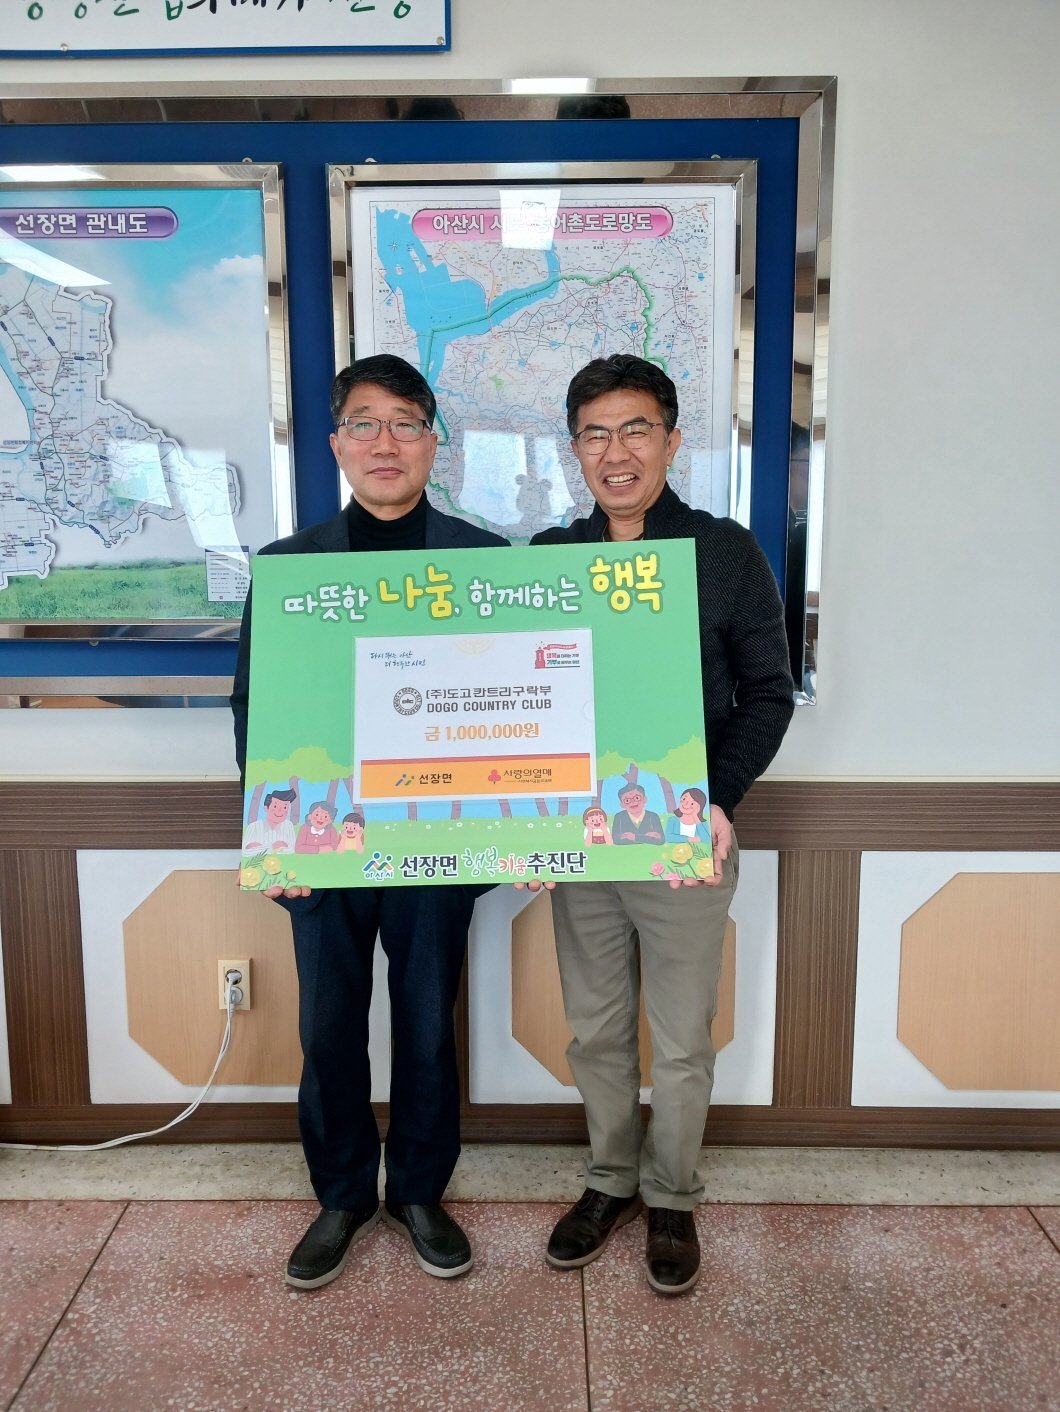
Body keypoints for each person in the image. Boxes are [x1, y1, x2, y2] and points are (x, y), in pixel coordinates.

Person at [232, 354, 506, 1290]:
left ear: (433, 441)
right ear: (336, 443)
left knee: (427, 1026)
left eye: (405, 422)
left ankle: (419, 1192)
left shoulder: (486, 563)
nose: (385, 442)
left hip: (439, 841)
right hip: (322, 842)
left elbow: (517, 704)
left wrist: (507, 836)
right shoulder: (289, 570)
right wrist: (274, 840)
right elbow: (255, 710)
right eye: (364, 423)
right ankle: (343, 1195)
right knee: (328, 1027)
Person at [530, 354, 793, 1295]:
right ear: (574, 450)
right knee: (596, 1031)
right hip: (583, 842)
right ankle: (609, 1180)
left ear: (672, 441)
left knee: (681, 1039)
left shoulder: (722, 553)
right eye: (595, 434)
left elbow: (768, 693)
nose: (616, 452)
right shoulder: (549, 560)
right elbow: (523, 704)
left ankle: (672, 1194)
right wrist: (523, 822)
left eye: (635, 430)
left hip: (684, 836)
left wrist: (714, 799)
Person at [241, 787, 297, 854]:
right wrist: (271, 847)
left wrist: (259, 848)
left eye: (285, 807)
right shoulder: (253, 827)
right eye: (275, 806)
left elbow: (293, 849)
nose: (280, 811)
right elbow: (245, 852)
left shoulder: (288, 825)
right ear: (266, 808)